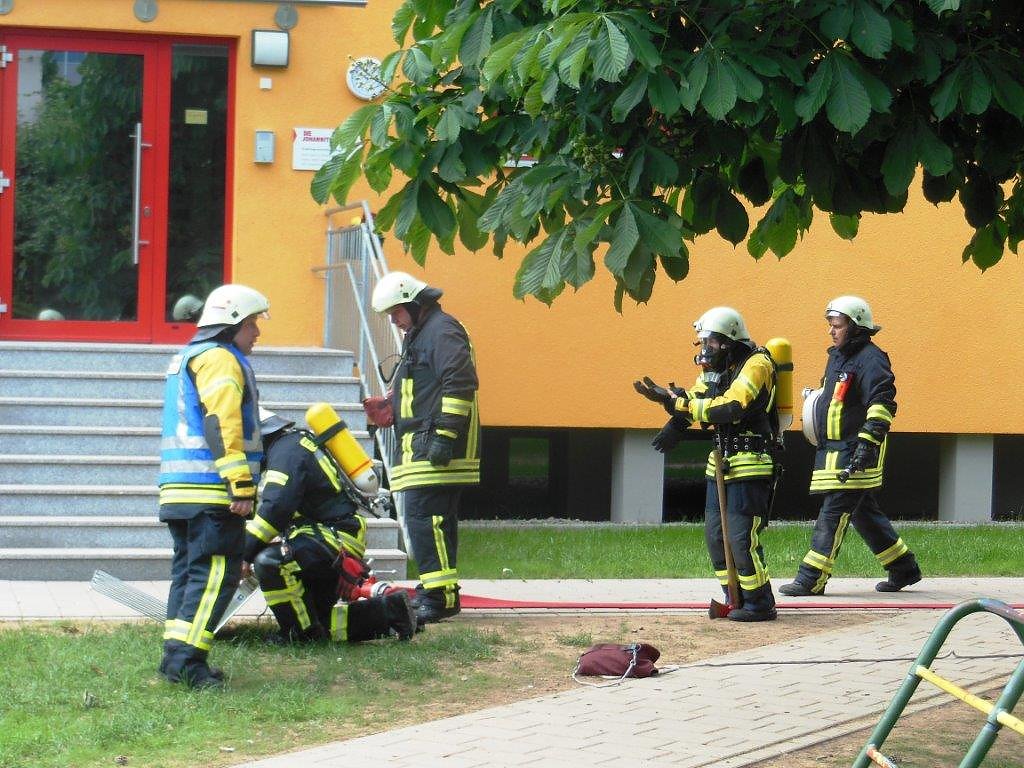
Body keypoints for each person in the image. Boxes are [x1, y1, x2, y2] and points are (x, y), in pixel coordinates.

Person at [635, 307, 779, 622]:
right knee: (715, 538)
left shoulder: (757, 364)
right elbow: (698, 397)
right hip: (720, 463)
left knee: (740, 538)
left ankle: (759, 602)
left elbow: (731, 406)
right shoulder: (716, 368)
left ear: (729, 340)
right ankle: (733, 597)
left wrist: (678, 404)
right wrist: (674, 419)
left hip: (751, 463)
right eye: (703, 342)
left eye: (711, 342)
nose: (706, 349)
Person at [157, 283, 269, 688]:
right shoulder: (220, 358)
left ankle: (174, 657)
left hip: (180, 489)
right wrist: (240, 484)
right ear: (233, 323)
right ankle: (188, 663)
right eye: (252, 324)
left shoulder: (188, 356)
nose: (257, 332)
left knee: (189, 576)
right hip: (211, 490)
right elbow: (221, 422)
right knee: (216, 577)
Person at [780, 296, 921, 596]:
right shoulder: (838, 356)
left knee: (833, 513)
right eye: (830, 325)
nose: (831, 331)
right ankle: (903, 568)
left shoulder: (872, 359)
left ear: (856, 326)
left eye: (837, 325)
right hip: (835, 450)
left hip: (857, 451)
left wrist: (867, 443)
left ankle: (811, 578)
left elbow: (882, 402)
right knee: (863, 513)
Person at [243, 409, 417, 643]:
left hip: (331, 538)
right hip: (330, 537)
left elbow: (276, 509)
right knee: (317, 620)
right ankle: (392, 613)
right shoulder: (292, 444)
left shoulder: (286, 451)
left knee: (271, 561)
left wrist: (244, 554)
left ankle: (300, 635)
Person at [370, 271, 480, 624]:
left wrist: (445, 437)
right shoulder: (425, 332)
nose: (394, 321)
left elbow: (459, 383)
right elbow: (427, 387)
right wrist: (392, 404)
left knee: (425, 519)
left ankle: (439, 596)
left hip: (435, 447)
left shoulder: (442, 331)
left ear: (415, 304)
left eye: (396, 312)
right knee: (430, 521)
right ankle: (438, 591)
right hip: (423, 445)